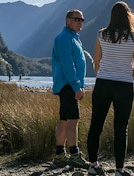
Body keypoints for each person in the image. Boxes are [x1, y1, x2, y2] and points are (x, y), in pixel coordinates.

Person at [86, 1, 134, 176]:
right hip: (124, 85)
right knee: (121, 128)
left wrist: (102, 74)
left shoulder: (101, 34)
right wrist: (128, 78)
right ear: (128, 16)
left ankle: (93, 165)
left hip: (103, 83)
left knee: (96, 125)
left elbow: (96, 61)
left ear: (111, 16)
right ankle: (119, 170)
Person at [51, 9, 88, 168]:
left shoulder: (73, 38)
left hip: (67, 84)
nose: (80, 22)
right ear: (68, 21)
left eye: (82, 19)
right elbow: (67, 65)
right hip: (68, 85)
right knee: (74, 119)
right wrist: (76, 86)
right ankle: (74, 154)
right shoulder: (65, 38)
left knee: (65, 120)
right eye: (77, 19)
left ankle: (60, 155)